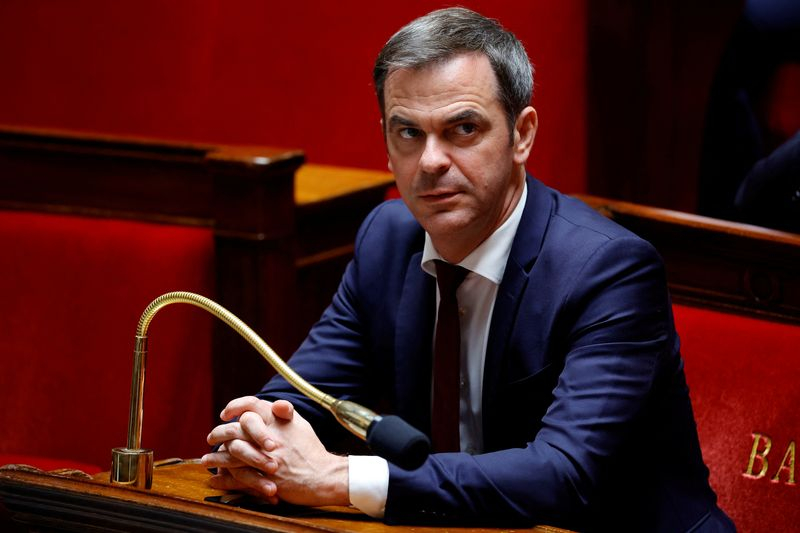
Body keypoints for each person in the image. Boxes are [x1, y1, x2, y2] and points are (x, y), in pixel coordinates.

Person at [201, 8, 735, 531]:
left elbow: (563, 475)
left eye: (463, 128)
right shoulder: (387, 240)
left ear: (521, 135)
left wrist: (339, 478)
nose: (431, 161)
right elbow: (298, 396)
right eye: (408, 132)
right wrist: (259, 437)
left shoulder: (608, 270)